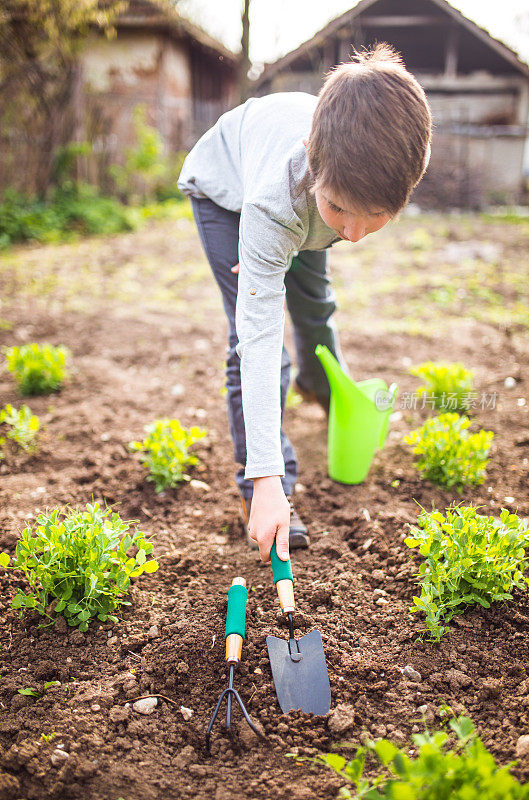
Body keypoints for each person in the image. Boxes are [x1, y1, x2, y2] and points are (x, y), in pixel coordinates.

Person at [177, 43, 432, 564]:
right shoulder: (274, 202)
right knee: (251, 339)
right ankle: (268, 488)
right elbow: (261, 338)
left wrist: (331, 217)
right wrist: (268, 478)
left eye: (376, 216)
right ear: (316, 169)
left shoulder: (381, 166)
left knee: (315, 305)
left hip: (301, 211)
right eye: (341, 210)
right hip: (229, 194)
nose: (355, 235)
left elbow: (342, 220)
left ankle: (326, 389)